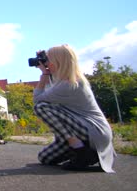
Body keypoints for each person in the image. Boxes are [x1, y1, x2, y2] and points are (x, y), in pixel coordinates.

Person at [33, 44, 115, 172]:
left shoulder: (70, 84)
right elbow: (48, 90)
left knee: (41, 107)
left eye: (48, 60)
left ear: (58, 61)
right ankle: (89, 154)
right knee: (44, 158)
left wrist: (44, 74)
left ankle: (79, 149)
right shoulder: (63, 81)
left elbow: (37, 100)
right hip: (84, 131)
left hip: (94, 130)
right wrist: (45, 72)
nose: (47, 64)